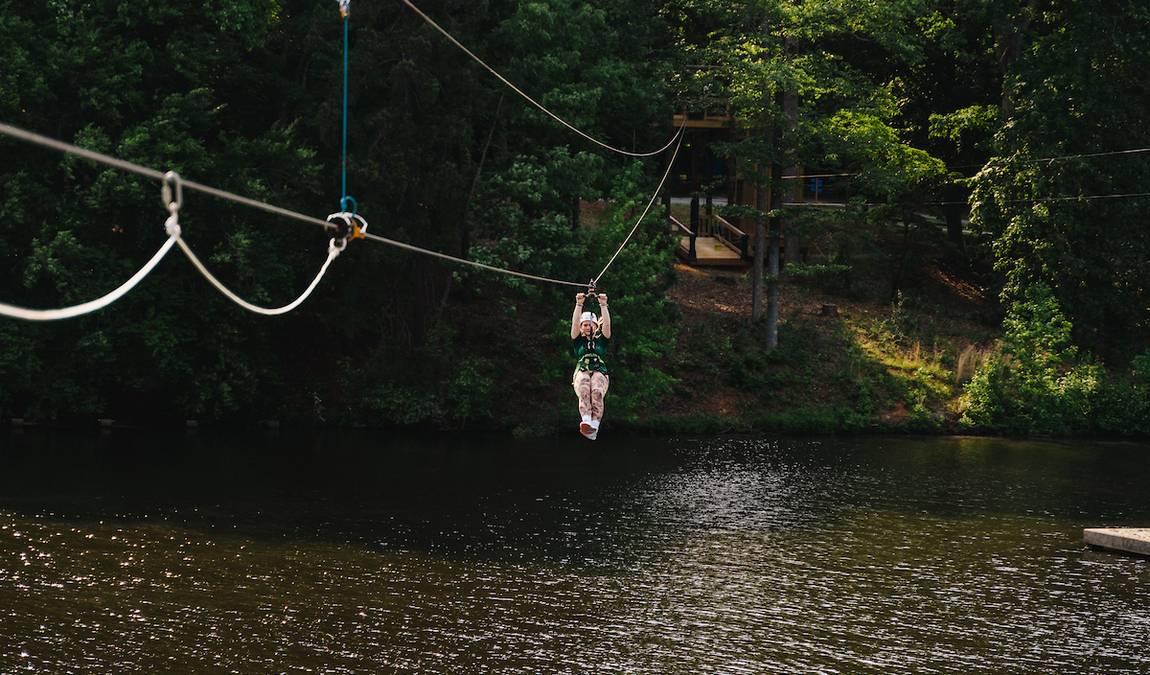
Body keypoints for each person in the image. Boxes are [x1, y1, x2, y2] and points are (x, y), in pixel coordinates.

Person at [571, 292, 611, 439]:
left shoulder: (602, 341)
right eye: (585, 325)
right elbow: (575, 324)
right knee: (584, 386)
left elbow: (606, 325)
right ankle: (586, 419)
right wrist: (579, 304)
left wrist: (603, 305)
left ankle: (595, 424)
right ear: (582, 327)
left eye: (590, 325)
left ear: (595, 326)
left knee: (596, 390)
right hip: (582, 369)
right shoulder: (578, 341)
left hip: (599, 370)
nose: (588, 327)